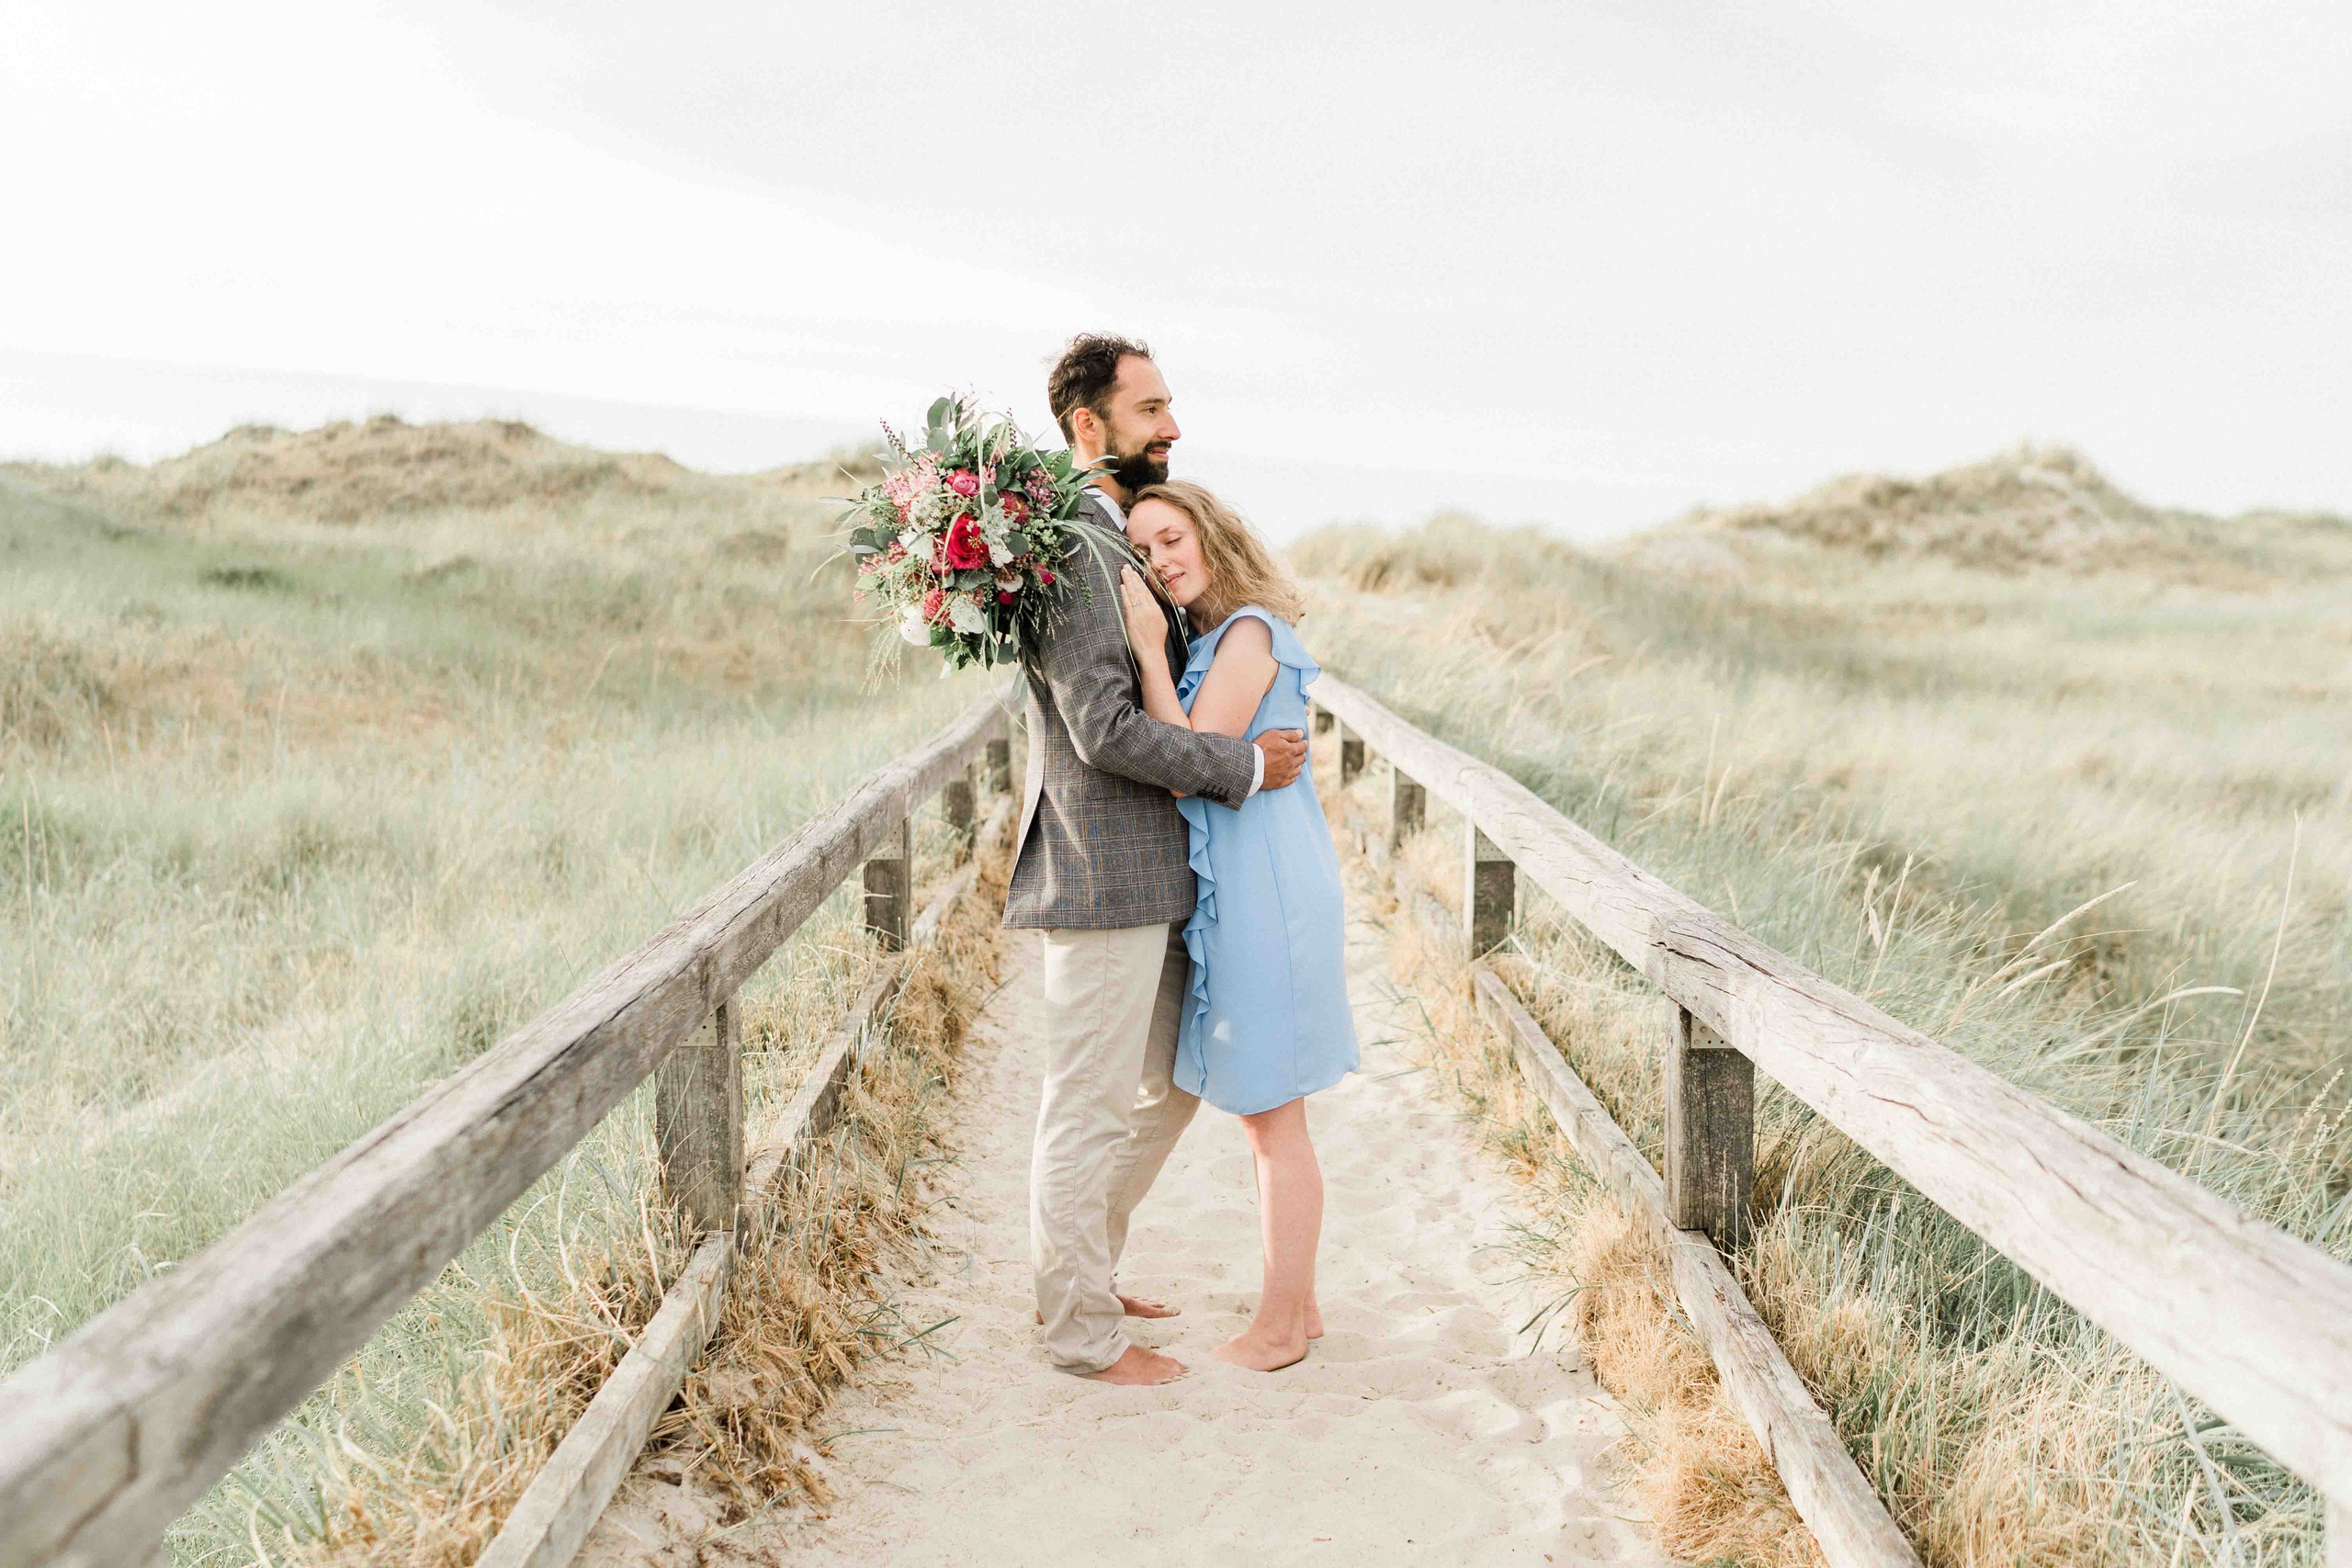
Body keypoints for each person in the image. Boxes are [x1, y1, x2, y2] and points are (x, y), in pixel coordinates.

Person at [1007, 333, 1309, 1386]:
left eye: (1169, 405)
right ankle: (1081, 1339)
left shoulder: (1108, 536)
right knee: (1086, 1106)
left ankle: (1083, 1268)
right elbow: (1102, 730)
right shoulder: (1081, 550)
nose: (1171, 427)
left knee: (1163, 1088)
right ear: (1088, 427)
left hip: (1151, 874)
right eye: (1149, 409)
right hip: (1102, 876)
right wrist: (1241, 767)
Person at [1114, 480, 1358, 1372]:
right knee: (1270, 1108)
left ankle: (1281, 1327)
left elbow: (1188, 766)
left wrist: (1145, 649)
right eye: (1142, 552)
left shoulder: (1248, 632)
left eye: (1172, 538)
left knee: (1271, 1117)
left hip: (1271, 894)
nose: (1160, 560)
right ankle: (1304, 1302)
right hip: (1253, 886)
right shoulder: (1222, 639)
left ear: (1212, 535)